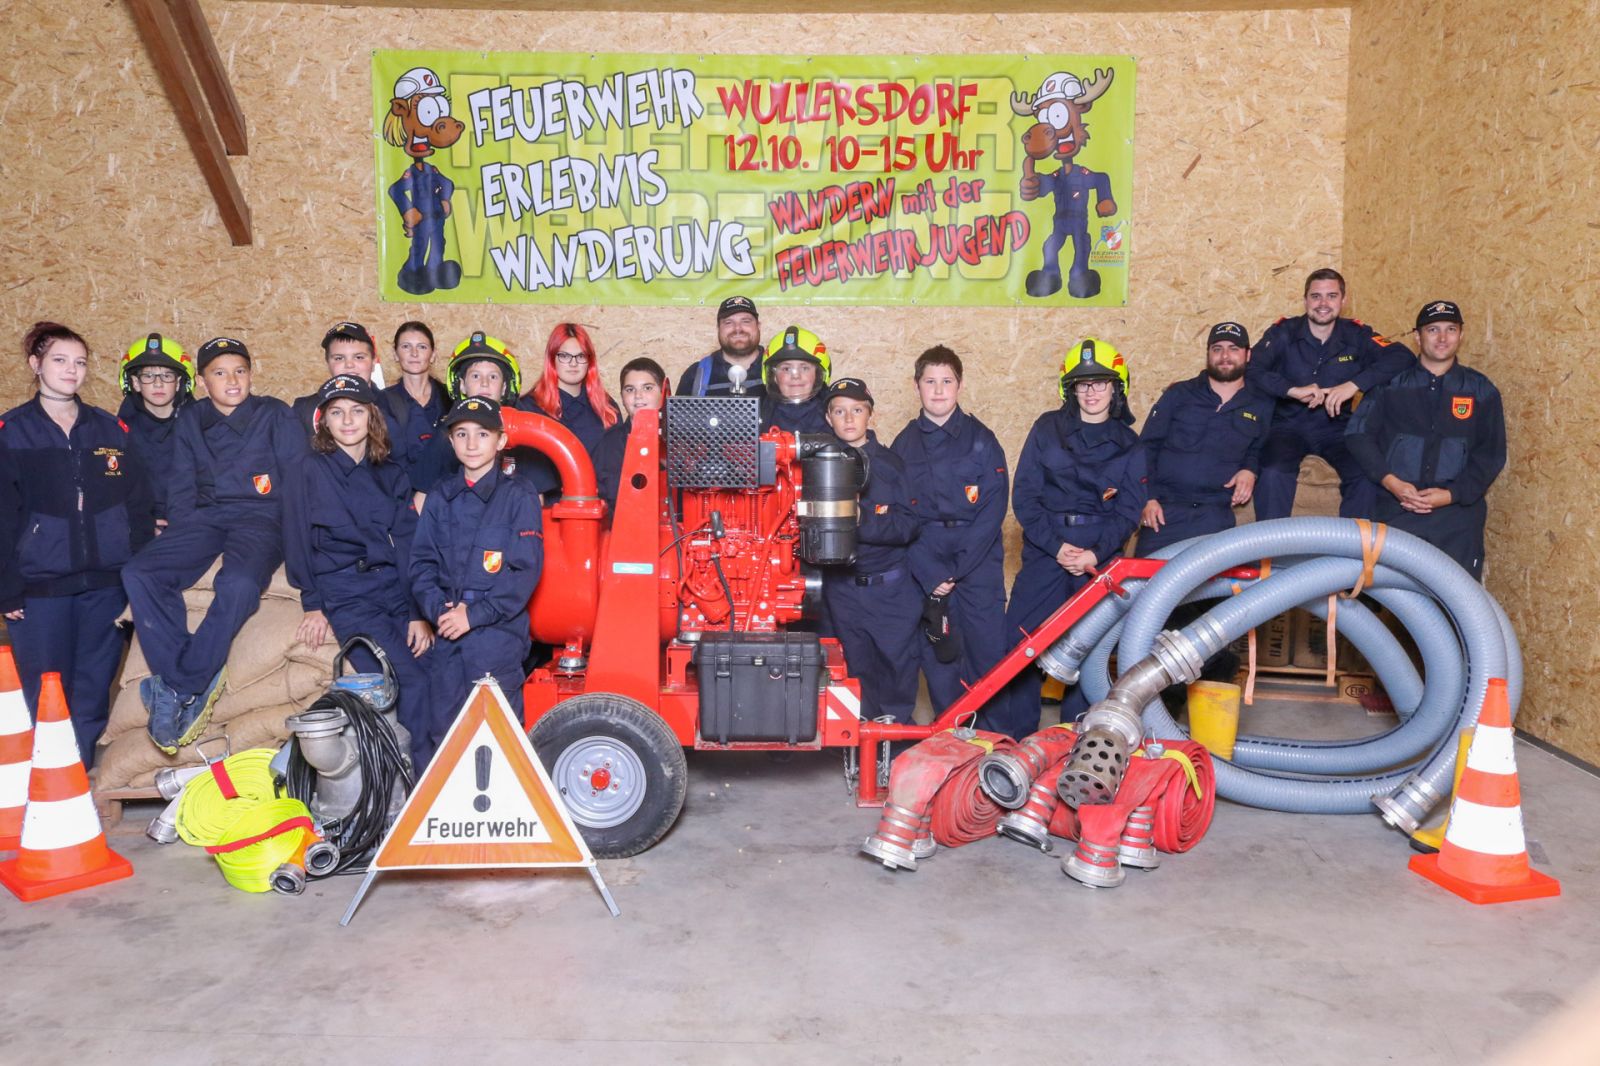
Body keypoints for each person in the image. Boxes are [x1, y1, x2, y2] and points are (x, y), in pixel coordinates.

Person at [122, 337, 307, 753]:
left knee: (239, 584)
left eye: (240, 371)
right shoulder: (191, 418)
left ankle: (181, 683)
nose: (232, 381)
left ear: (251, 375)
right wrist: (180, 541)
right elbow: (181, 483)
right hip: (205, 519)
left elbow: (298, 485)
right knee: (140, 572)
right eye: (220, 373)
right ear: (204, 382)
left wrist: (299, 547)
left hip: (261, 519)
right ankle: (189, 676)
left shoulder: (275, 414)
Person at [0, 322, 146, 764]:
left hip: (106, 587)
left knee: (93, 691)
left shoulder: (111, 428)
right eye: (60, 360)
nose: (71, 370)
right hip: (39, 590)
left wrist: (136, 579)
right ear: (36, 364)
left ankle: (77, 778)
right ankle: (43, 782)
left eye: (80, 362)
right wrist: (7, 587)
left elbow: (138, 507)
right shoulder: (11, 432)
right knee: (46, 692)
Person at [991, 340, 1146, 738]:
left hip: (1098, 557)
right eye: (1082, 384)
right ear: (1070, 389)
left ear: (1117, 388)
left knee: (1088, 648)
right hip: (1047, 550)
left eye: (1100, 383)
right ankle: (1016, 739)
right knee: (1020, 643)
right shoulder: (1047, 429)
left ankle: (1070, 739)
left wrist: (1094, 553)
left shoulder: (1130, 444)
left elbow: (1129, 510)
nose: (1091, 392)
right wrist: (1057, 547)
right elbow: (1025, 496)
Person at [284, 375, 437, 769]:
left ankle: (440, 764)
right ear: (324, 421)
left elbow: (408, 543)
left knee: (436, 671)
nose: (348, 420)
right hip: (348, 594)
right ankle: (419, 778)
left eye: (357, 411)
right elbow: (297, 538)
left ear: (372, 417)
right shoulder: (308, 469)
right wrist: (312, 604)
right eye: (337, 412)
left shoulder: (391, 472)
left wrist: (417, 612)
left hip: (393, 590)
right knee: (409, 682)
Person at [1345, 300, 1506, 580]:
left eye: (1450, 329)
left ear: (1461, 335)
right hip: (1396, 508)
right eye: (1433, 330)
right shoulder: (1389, 386)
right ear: (1418, 337)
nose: (1442, 338)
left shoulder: (1481, 390)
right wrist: (1392, 483)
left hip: (1457, 516)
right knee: (1392, 597)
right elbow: (1358, 436)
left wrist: (1451, 495)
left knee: (1456, 598)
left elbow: (1490, 455)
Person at [410, 397, 543, 733]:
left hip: (497, 637)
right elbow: (421, 563)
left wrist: (473, 615)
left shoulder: (519, 495)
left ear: (500, 441)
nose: (471, 444)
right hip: (447, 631)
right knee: (445, 733)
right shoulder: (439, 495)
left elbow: (523, 571)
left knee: (498, 734)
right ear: (451, 440)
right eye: (462, 434)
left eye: (482, 434)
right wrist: (440, 612)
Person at [890, 345, 1009, 713]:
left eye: (947, 381)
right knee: (939, 656)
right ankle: (949, 734)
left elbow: (993, 509)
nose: (938, 390)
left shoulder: (982, 439)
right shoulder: (903, 445)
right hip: (925, 560)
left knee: (987, 651)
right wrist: (931, 572)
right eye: (930, 382)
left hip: (977, 562)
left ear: (960, 385)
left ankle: (991, 735)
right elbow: (898, 514)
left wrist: (957, 570)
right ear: (916, 386)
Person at [1251, 269, 1414, 519]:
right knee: (1273, 472)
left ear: (1343, 300)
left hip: (1337, 427)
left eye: (1332, 296)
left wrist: (1354, 384)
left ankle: (1354, 544)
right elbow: (1252, 368)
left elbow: (1403, 357)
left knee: (1365, 476)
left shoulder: (1356, 334)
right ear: (1305, 300)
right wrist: (1292, 390)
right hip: (1287, 426)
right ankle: (1270, 544)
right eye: (1316, 296)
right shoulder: (1283, 332)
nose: (1323, 304)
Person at [820, 378, 922, 724]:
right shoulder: (817, 466)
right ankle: (858, 742)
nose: (849, 418)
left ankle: (894, 745)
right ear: (828, 418)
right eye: (839, 411)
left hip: (889, 590)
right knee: (853, 671)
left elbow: (910, 524)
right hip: (841, 591)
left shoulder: (892, 465)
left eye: (857, 410)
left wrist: (863, 521)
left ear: (870, 415)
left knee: (896, 670)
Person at [1136, 322, 1275, 556]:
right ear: (1208, 354)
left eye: (1233, 349)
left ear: (1248, 355)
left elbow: (1262, 448)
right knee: (1142, 579)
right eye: (1217, 349)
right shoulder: (1178, 394)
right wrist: (1147, 499)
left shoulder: (1261, 404)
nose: (1225, 356)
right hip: (1163, 513)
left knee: (1215, 581)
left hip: (1214, 516)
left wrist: (1250, 469)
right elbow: (1146, 449)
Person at [117, 332, 195, 550]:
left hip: (192, 526)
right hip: (140, 526)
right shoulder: (118, 432)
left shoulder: (200, 426)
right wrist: (143, 524)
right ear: (135, 382)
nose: (158, 383)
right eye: (148, 376)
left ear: (179, 382)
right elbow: (116, 490)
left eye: (167, 375)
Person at [290, 322, 406, 440]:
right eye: (339, 358)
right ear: (328, 363)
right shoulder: (305, 410)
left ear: (373, 362)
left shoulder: (397, 407)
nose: (349, 365)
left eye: (359, 357)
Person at [523, 322, 620, 461]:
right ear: (552, 359)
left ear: (590, 361)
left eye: (581, 356)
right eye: (564, 356)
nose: (573, 363)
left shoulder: (607, 409)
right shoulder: (528, 409)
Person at [383, 321, 452, 496]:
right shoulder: (381, 402)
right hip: (400, 498)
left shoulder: (451, 400)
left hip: (448, 498)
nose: (414, 353)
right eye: (406, 346)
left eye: (422, 347)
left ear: (433, 355)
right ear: (395, 354)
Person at [596, 357, 669, 512]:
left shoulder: (681, 443)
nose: (638, 395)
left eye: (647, 388)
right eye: (630, 389)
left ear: (663, 393)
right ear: (622, 398)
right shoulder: (607, 445)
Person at [676, 295, 766, 399]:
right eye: (728, 322)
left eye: (746, 321)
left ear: (758, 326)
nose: (737, 328)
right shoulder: (695, 375)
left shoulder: (776, 370)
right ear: (718, 328)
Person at [759, 326, 832, 435]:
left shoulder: (834, 414)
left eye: (805, 368)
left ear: (818, 375)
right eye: (786, 369)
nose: (796, 376)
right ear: (774, 376)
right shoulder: (759, 415)